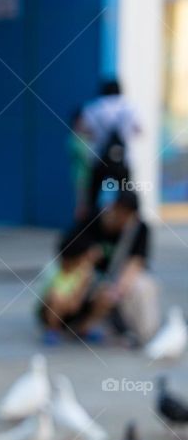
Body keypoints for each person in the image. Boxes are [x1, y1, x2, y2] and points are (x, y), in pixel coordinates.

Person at [84, 190, 159, 344]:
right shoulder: (96, 221)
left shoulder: (139, 228)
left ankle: (147, 335)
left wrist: (117, 290)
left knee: (144, 287)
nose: (124, 218)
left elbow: (136, 262)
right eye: (121, 212)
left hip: (119, 280)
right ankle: (84, 325)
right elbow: (71, 250)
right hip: (94, 277)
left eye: (128, 214)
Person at [80, 80, 141, 219]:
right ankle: (128, 222)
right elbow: (139, 131)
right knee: (126, 193)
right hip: (123, 159)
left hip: (99, 158)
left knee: (93, 195)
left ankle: (91, 223)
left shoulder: (93, 107)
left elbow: (85, 131)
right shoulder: (130, 107)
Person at [38, 233, 101, 345]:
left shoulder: (85, 271)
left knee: (105, 293)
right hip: (52, 311)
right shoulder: (53, 270)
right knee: (57, 297)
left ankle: (83, 329)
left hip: (74, 306)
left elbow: (76, 304)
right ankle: (52, 329)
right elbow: (52, 298)